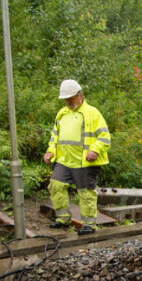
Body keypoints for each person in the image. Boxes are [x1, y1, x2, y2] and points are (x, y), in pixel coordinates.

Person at [42, 79, 110, 235]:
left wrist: (95, 150)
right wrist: (50, 151)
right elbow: (55, 136)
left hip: (84, 162)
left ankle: (89, 225)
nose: (68, 102)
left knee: (86, 193)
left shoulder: (92, 113)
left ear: (80, 95)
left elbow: (104, 136)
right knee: (55, 186)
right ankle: (62, 219)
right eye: (66, 99)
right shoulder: (62, 114)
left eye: (71, 98)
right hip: (63, 161)